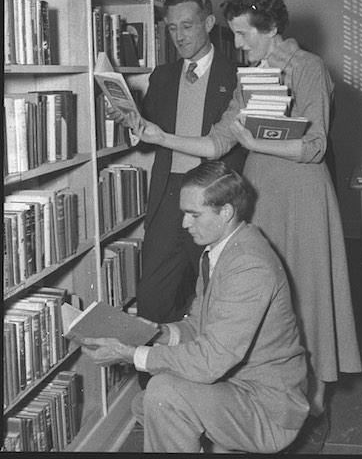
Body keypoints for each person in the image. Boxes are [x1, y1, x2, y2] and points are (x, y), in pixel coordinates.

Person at [125, 0, 362, 450]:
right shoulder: (250, 75)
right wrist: (160, 135)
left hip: (302, 195)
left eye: (242, 34)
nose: (238, 45)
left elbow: (314, 148)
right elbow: (215, 142)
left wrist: (257, 144)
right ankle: (257, 395)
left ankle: (311, 409)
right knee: (264, 298)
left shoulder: (308, 67)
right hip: (263, 192)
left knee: (306, 298)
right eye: (233, 34)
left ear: (269, 27)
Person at [81, 160, 309, 454]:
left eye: (194, 215)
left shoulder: (249, 265)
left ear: (225, 212)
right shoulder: (221, 250)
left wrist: (131, 354)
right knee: (147, 402)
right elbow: (199, 325)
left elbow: (211, 361)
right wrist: (160, 333)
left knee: (162, 396)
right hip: (239, 386)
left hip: (269, 409)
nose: (184, 224)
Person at [125, 0, 246, 339]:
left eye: (187, 26)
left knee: (214, 294)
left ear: (209, 23)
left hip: (214, 196)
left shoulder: (236, 76)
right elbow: (149, 144)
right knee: (153, 294)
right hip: (167, 197)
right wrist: (130, 126)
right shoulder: (161, 77)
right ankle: (153, 387)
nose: (179, 36)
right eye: (172, 28)